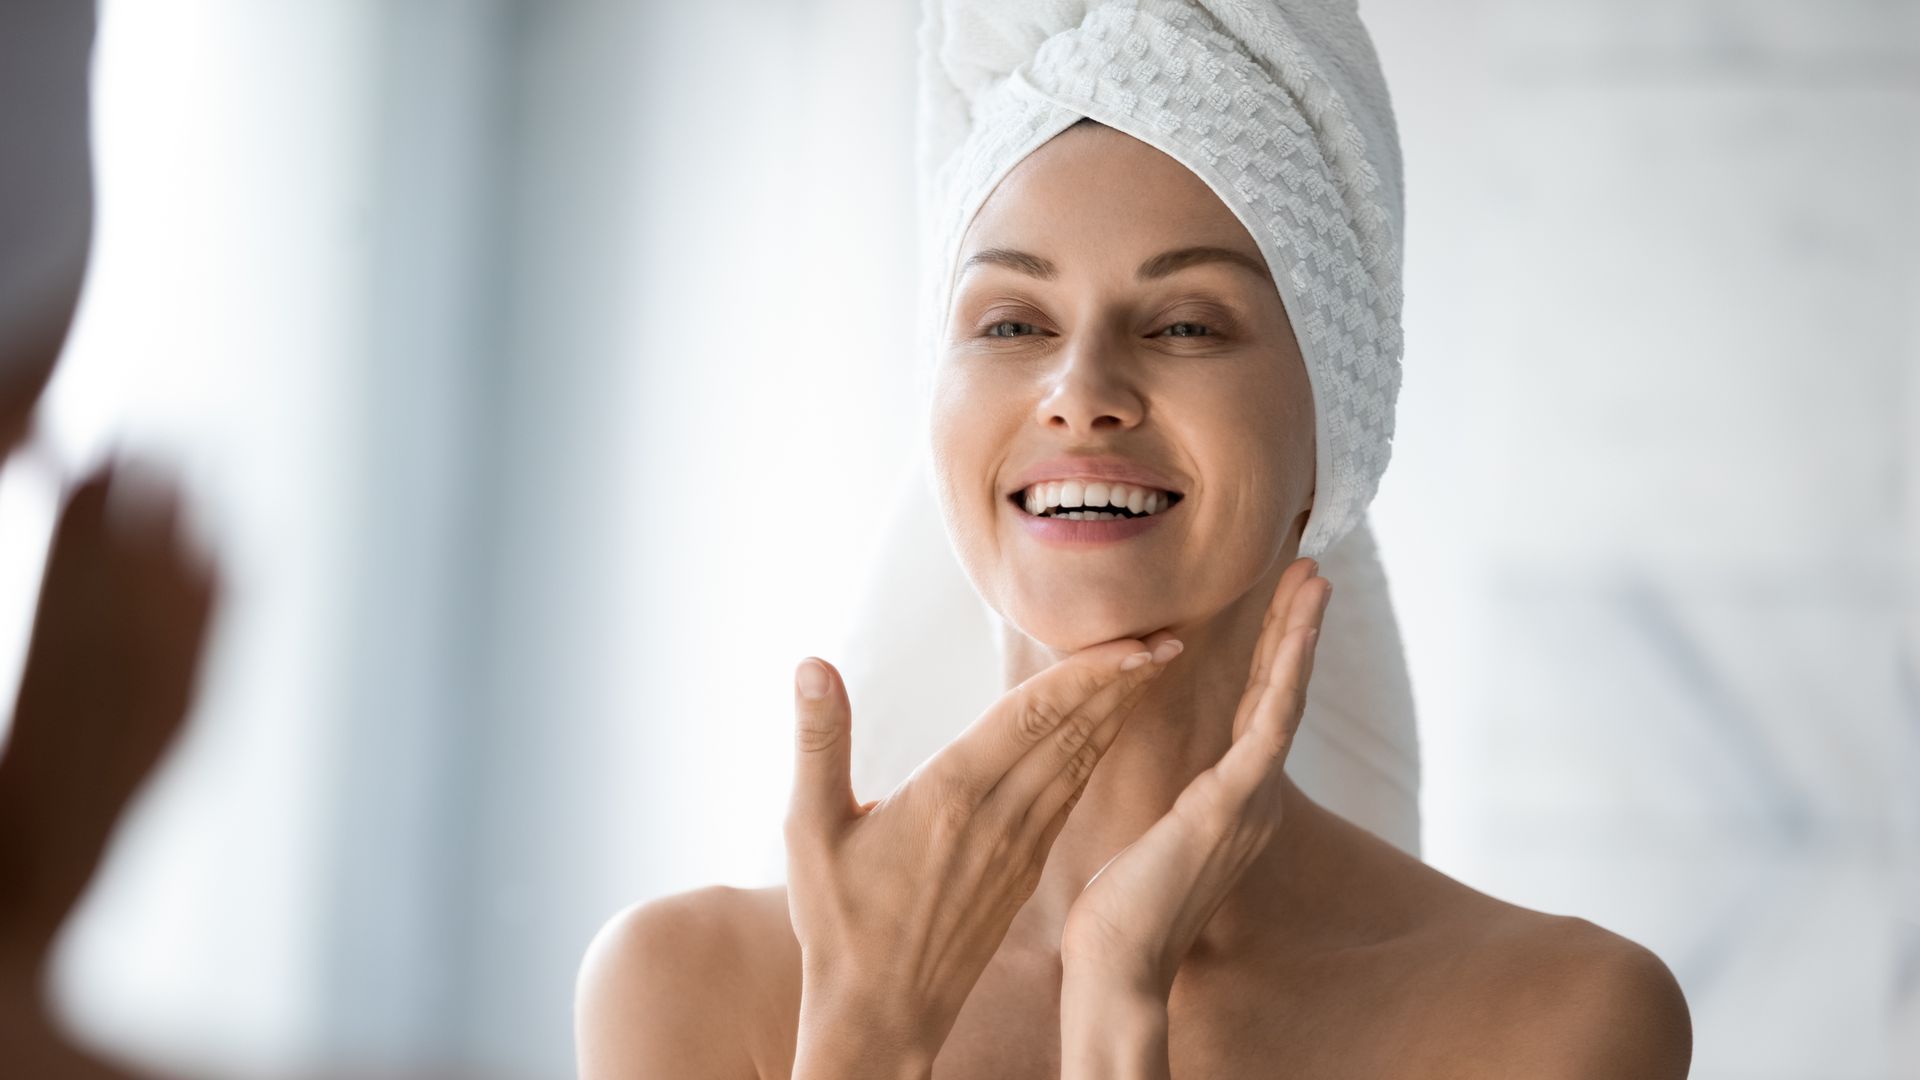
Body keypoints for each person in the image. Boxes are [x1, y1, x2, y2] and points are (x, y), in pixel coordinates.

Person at [575, 3, 1692, 1076]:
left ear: (1333, 432)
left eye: (1188, 324)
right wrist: (867, 1032)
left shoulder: (1555, 1016)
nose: (1082, 390)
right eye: (1011, 322)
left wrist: (1117, 1000)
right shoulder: (686, 984)